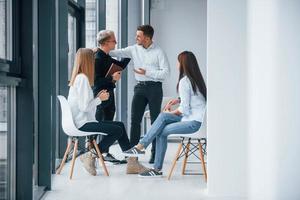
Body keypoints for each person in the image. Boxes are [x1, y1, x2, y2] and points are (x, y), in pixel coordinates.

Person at [123, 51, 207, 177]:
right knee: (161, 125)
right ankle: (148, 156)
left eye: (179, 62)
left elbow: (184, 109)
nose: (177, 64)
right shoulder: (197, 80)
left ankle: (144, 150)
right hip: (197, 121)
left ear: (184, 64)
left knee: (162, 119)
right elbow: (194, 100)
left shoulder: (185, 81)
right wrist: (179, 99)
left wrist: (171, 111)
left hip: (192, 123)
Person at [67, 48, 146, 176]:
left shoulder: (80, 78)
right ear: (88, 61)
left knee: (119, 125)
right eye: (92, 60)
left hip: (83, 120)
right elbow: (84, 107)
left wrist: (96, 97)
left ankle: (132, 162)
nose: (94, 62)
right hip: (83, 123)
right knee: (118, 130)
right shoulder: (82, 79)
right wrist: (99, 99)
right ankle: (91, 155)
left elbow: (84, 103)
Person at [109, 25, 170, 164]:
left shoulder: (159, 52)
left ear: (147, 38)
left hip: (155, 88)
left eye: (138, 36)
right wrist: (100, 49)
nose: (136, 38)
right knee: (134, 121)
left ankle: (155, 154)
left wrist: (147, 72)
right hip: (139, 88)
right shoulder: (133, 49)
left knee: (155, 122)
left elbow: (166, 73)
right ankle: (132, 156)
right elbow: (117, 52)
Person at [93, 30, 131, 163]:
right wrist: (111, 78)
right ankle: (93, 154)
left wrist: (132, 53)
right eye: (114, 40)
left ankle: (105, 153)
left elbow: (120, 66)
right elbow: (95, 81)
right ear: (105, 42)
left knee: (109, 125)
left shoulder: (106, 56)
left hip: (109, 94)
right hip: (100, 96)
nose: (116, 42)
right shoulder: (97, 58)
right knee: (101, 126)